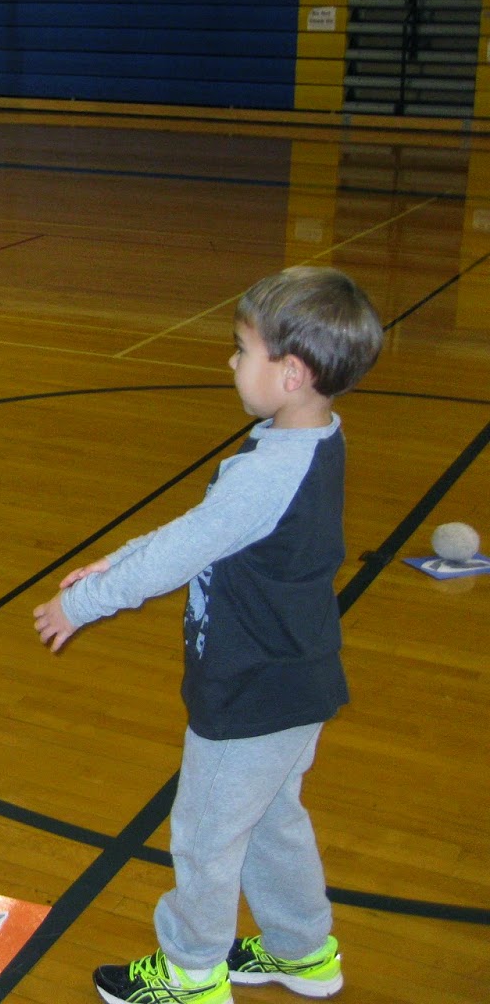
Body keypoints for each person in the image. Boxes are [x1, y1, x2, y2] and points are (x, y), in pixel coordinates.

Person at [33, 266, 383, 1004]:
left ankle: (192, 973)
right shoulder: (313, 437)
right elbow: (204, 532)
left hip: (250, 690)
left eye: (242, 349)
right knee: (270, 821)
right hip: (300, 678)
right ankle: (303, 952)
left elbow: (181, 552)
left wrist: (85, 602)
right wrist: (114, 556)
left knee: (203, 835)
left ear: (290, 373)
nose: (230, 361)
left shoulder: (265, 474)